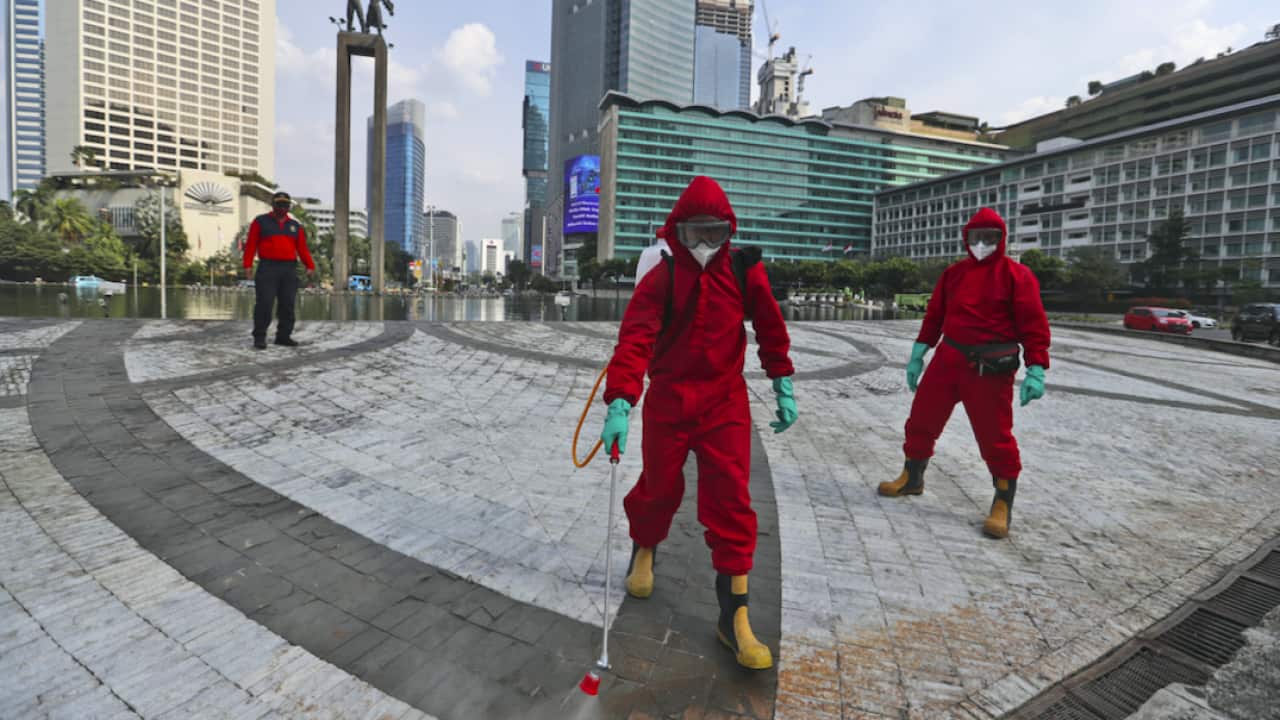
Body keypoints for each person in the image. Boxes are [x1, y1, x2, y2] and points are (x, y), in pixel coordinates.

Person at [600, 176, 797, 670]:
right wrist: (621, 401)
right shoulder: (661, 278)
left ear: (727, 231)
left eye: (714, 234)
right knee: (659, 486)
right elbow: (635, 339)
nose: (704, 246)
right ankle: (645, 546)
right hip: (668, 400)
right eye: (694, 235)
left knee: (731, 497)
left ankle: (734, 618)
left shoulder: (744, 271)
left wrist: (782, 381)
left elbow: (770, 324)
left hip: (723, 402)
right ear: (677, 232)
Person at [878, 207, 1049, 539]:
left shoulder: (1018, 276)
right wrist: (919, 350)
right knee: (921, 419)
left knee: (994, 436)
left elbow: (1034, 325)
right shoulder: (954, 274)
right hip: (948, 357)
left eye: (989, 237)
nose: (981, 243)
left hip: (989, 367)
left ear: (1001, 240)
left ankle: (1002, 500)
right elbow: (935, 314)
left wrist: (1036, 368)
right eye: (976, 237)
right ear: (966, 238)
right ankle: (912, 477)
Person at [243, 191, 315, 350]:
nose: (282, 207)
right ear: (273, 205)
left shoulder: (295, 226)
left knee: (288, 304)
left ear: (289, 207)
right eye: (279, 204)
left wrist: (310, 266)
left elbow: (302, 249)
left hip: (289, 269)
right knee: (265, 303)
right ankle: (260, 336)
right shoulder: (260, 222)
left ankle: (283, 336)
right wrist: (247, 265)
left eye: (285, 205)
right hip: (268, 267)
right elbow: (251, 245)